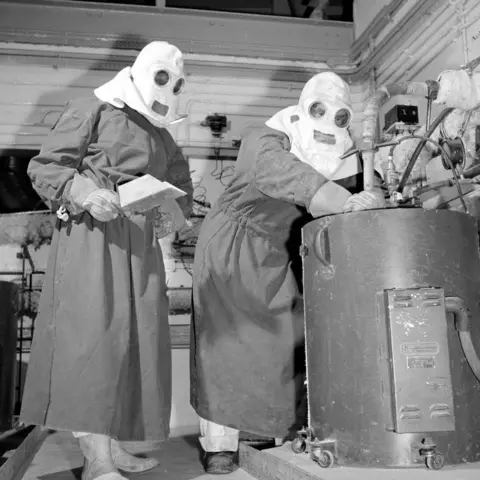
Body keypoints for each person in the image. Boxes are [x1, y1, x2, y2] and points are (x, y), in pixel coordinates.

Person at [190, 71, 386, 474]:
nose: (329, 124)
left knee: (287, 340)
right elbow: (279, 172)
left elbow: (368, 186)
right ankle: (219, 446)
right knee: (224, 346)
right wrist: (339, 199)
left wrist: (374, 194)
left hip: (276, 253)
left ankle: (279, 433)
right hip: (231, 245)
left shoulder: (343, 151)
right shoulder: (266, 137)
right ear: (302, 110)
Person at [20, 41, 193, 480]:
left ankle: (113, 448)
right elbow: (45, 167)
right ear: (137, 72)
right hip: (91, 236)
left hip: (140, 244)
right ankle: (96, 460)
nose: (167, 87)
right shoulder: (91, 108)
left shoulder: (163, 134)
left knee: (135, 343)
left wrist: (170, 217)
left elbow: (181, 187)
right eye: (159, 76)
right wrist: (83, 193)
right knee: (93, 341)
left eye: (176, 81)